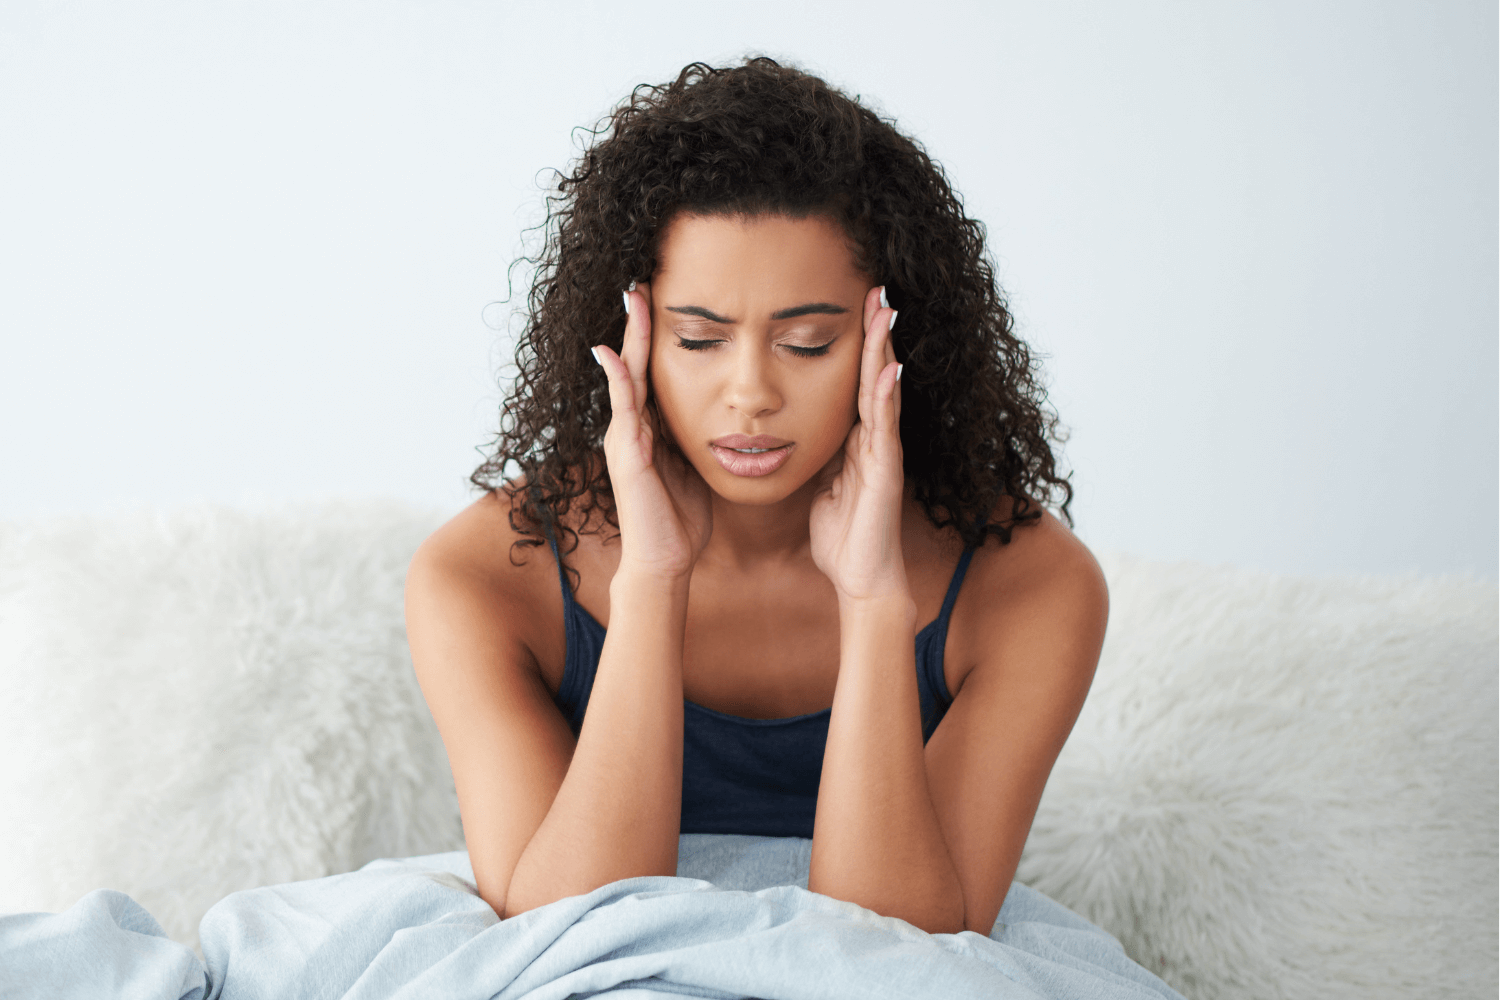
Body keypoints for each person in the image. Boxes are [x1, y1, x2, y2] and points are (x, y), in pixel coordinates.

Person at [405, 57, 1107, 938]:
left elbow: (903, 954)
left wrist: (874, 602)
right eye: (699, 340)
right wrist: (654, 582)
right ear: (630, 335)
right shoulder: (482, 574)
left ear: (891, 336)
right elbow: (563, 932)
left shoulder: (1029, 587)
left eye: (808, 343)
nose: (750, 394)